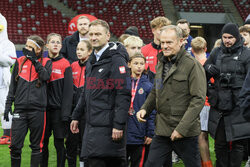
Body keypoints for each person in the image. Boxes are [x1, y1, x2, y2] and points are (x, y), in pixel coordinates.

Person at [136, 25, 207, 167]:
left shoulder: (192, 65)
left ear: (181, 41)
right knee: (151, 164)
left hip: (185, 132)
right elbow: (157, 90)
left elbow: (198, 100)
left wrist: (181, 129)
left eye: (169, 42)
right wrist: (145, 108)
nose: (165, 46)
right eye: (162, 42)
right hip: (162, 129)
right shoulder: (161, 62)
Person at [70, 19, 131, 167]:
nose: (93, 37)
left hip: (109, 128)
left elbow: (123, 93)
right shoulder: (92, 60)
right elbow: (86, 90)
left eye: (98, 34)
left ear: (108, 35)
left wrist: (118, 124)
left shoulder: (116, 60)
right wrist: (76, 115)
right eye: (91, 34)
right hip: (93, 126)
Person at [204, 23, 250, 167]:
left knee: (238, 144)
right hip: (218, 106)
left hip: (239, 106)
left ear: (237, 37)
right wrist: (208, 69)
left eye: (230, 37)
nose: (227, 40)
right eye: (224, 37)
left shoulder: (247, 54)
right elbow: (201, 75)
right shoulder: (216, 52)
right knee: (220, 144)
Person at [4, 35, 52, 167]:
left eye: (31, 47)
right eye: (26, 46)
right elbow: (12, 87)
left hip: (38, 111)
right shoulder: (19, 62)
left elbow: (45, 76)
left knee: (36, 146)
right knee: (15, 146)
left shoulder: (46, 62)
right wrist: (8, 105)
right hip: (19, 110)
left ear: (39, 49)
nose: (27, 49)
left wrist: (35, 61)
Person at [41, 33, 73, 167]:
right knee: (43, 143)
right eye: (52, 42)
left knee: (59, 143)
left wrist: (65, 114)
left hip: (59, 112)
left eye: (58, 42)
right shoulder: (41, 63)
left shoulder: (65, 64)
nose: (55, 44)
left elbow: (68, 92)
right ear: (47, 45)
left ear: (61, 46)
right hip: (43, 110)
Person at [66, 40, 92, 167]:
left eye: (82, 50)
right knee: (71, 143)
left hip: (86, 112)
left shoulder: (93, 66)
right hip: (73, 111)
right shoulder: (73, 66)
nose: (78, 52)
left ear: (89, 51)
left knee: (84, 143)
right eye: (77, 49)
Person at [126, 53, 155, 167]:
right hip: (124, 132)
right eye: (136, 63)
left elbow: (152, 112)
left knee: (138, 163)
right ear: (129, 64)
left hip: (140, 133)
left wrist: (150, 133)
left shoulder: (148, 86)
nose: (139, 66)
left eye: (142, 64)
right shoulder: (123, 83)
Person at [191, 37, 213, 167]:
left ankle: (207, 164)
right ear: (206, 48)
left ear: (192, 50)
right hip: (212, 103)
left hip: (201, 104)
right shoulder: (211, 63)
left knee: (201, 136)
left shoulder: (193, 65)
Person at [0, 13, 16, 145]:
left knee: (4, 108)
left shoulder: (8, 44)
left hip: (2, 83)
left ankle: (7, 134)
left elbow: (9, 61)